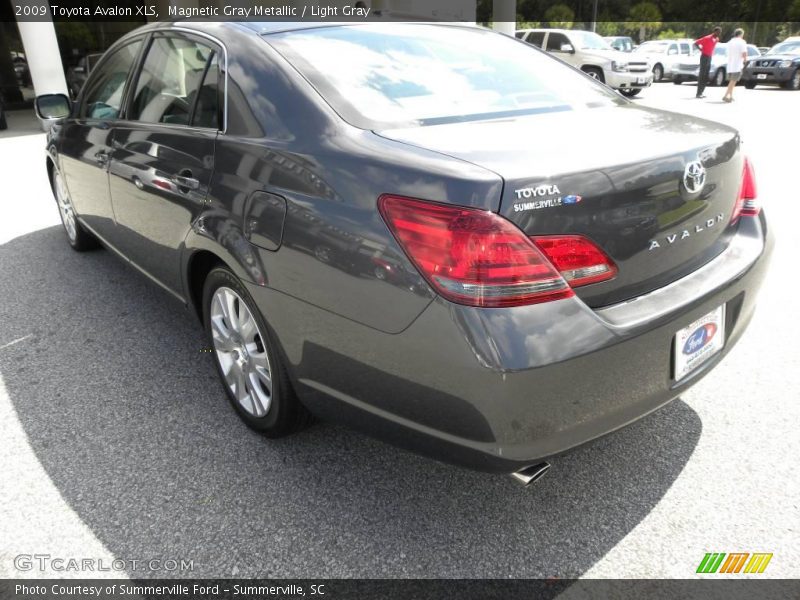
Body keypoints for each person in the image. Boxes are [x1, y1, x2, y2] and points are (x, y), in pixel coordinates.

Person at [694, 26, 722, 98]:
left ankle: (702, 92)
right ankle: (698, 93)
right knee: (702, 74)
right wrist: (701, 50)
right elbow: (696, 43)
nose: (719, 34)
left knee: (706, 75)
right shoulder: (707, 38)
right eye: (718, 32)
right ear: (714, 31)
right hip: (704, 57)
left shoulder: (716, 39)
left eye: (720, 32)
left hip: (709, 57)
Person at [723, 28, 748, 102]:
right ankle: (725, 95)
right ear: (741, 34)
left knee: (732, 81)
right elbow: (744, 52)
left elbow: (726, 52)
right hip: (737, 64)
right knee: (733, 81)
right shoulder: (742, 42)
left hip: (730, 64)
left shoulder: (730, 41)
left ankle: (730, 96)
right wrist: (745, 59)